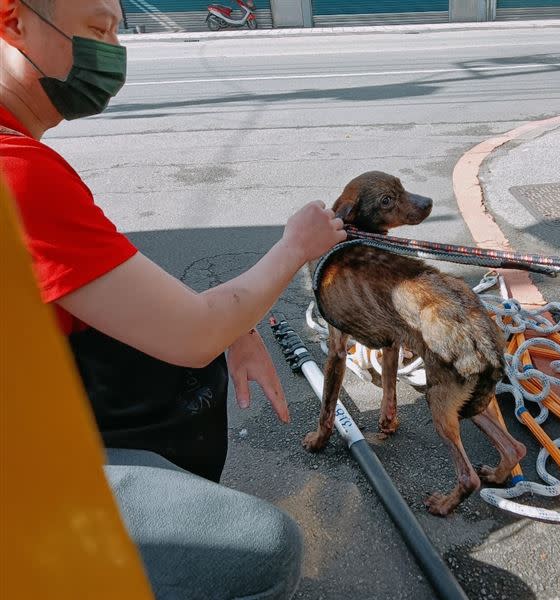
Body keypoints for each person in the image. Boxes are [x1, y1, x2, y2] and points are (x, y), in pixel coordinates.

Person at [0, 1, 346, 598]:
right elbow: (191, 334)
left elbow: (109, 281)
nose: (111, 53)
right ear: (14, 22)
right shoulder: (17, 173)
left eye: (116, 31)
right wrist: (295, 247)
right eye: (95, 29)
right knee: (262, 553)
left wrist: (235, 325)